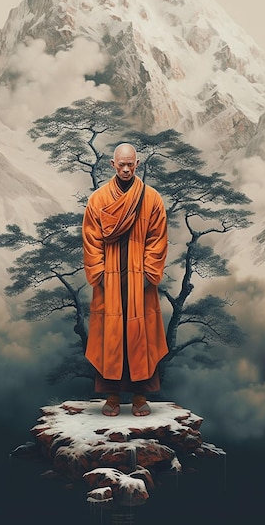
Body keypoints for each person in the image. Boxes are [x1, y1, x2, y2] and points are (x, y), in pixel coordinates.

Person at [82, 143, 168, 417]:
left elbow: (157, 239)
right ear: (112, 164)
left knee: (140, 336)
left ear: (138, 163)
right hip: (109, 280)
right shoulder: (98, 199)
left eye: (131, 164)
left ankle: (141, 395)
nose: (126, 169)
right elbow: (91, 240)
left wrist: (148, 274)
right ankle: (112, 396)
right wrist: (98, 274)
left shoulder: (152, 199)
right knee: (111, 336)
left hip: (140, 281)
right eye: (122, 164)